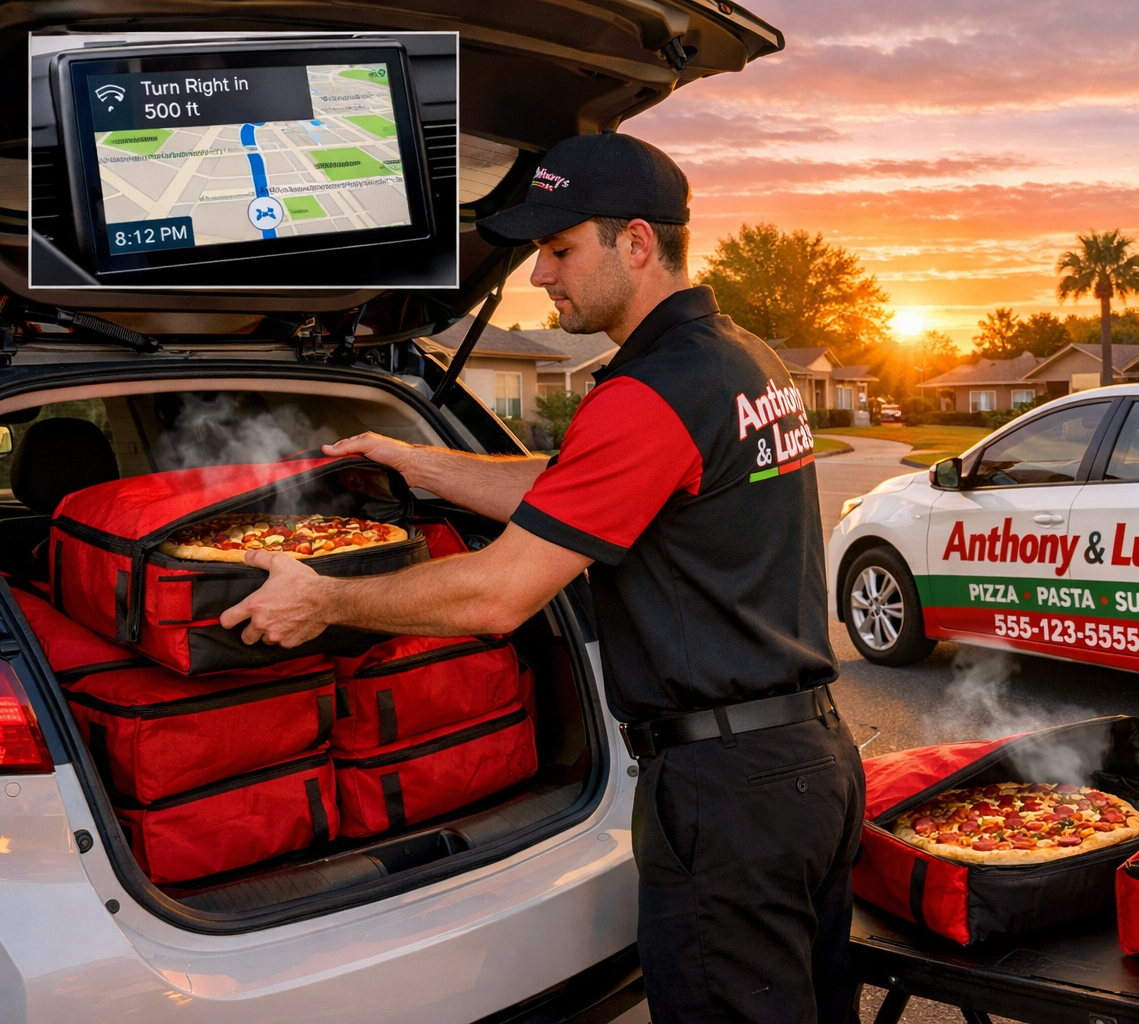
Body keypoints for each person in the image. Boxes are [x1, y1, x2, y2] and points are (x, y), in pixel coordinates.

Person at [219, 131, 865, 1024]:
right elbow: (588, 488)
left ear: (635, 243)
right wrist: (422, 465)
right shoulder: (738, 358)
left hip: (726, 794)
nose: (539, 275)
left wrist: (324, 597)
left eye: (559, 250)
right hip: (808, 770)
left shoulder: (647, 394)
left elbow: (497, 594)